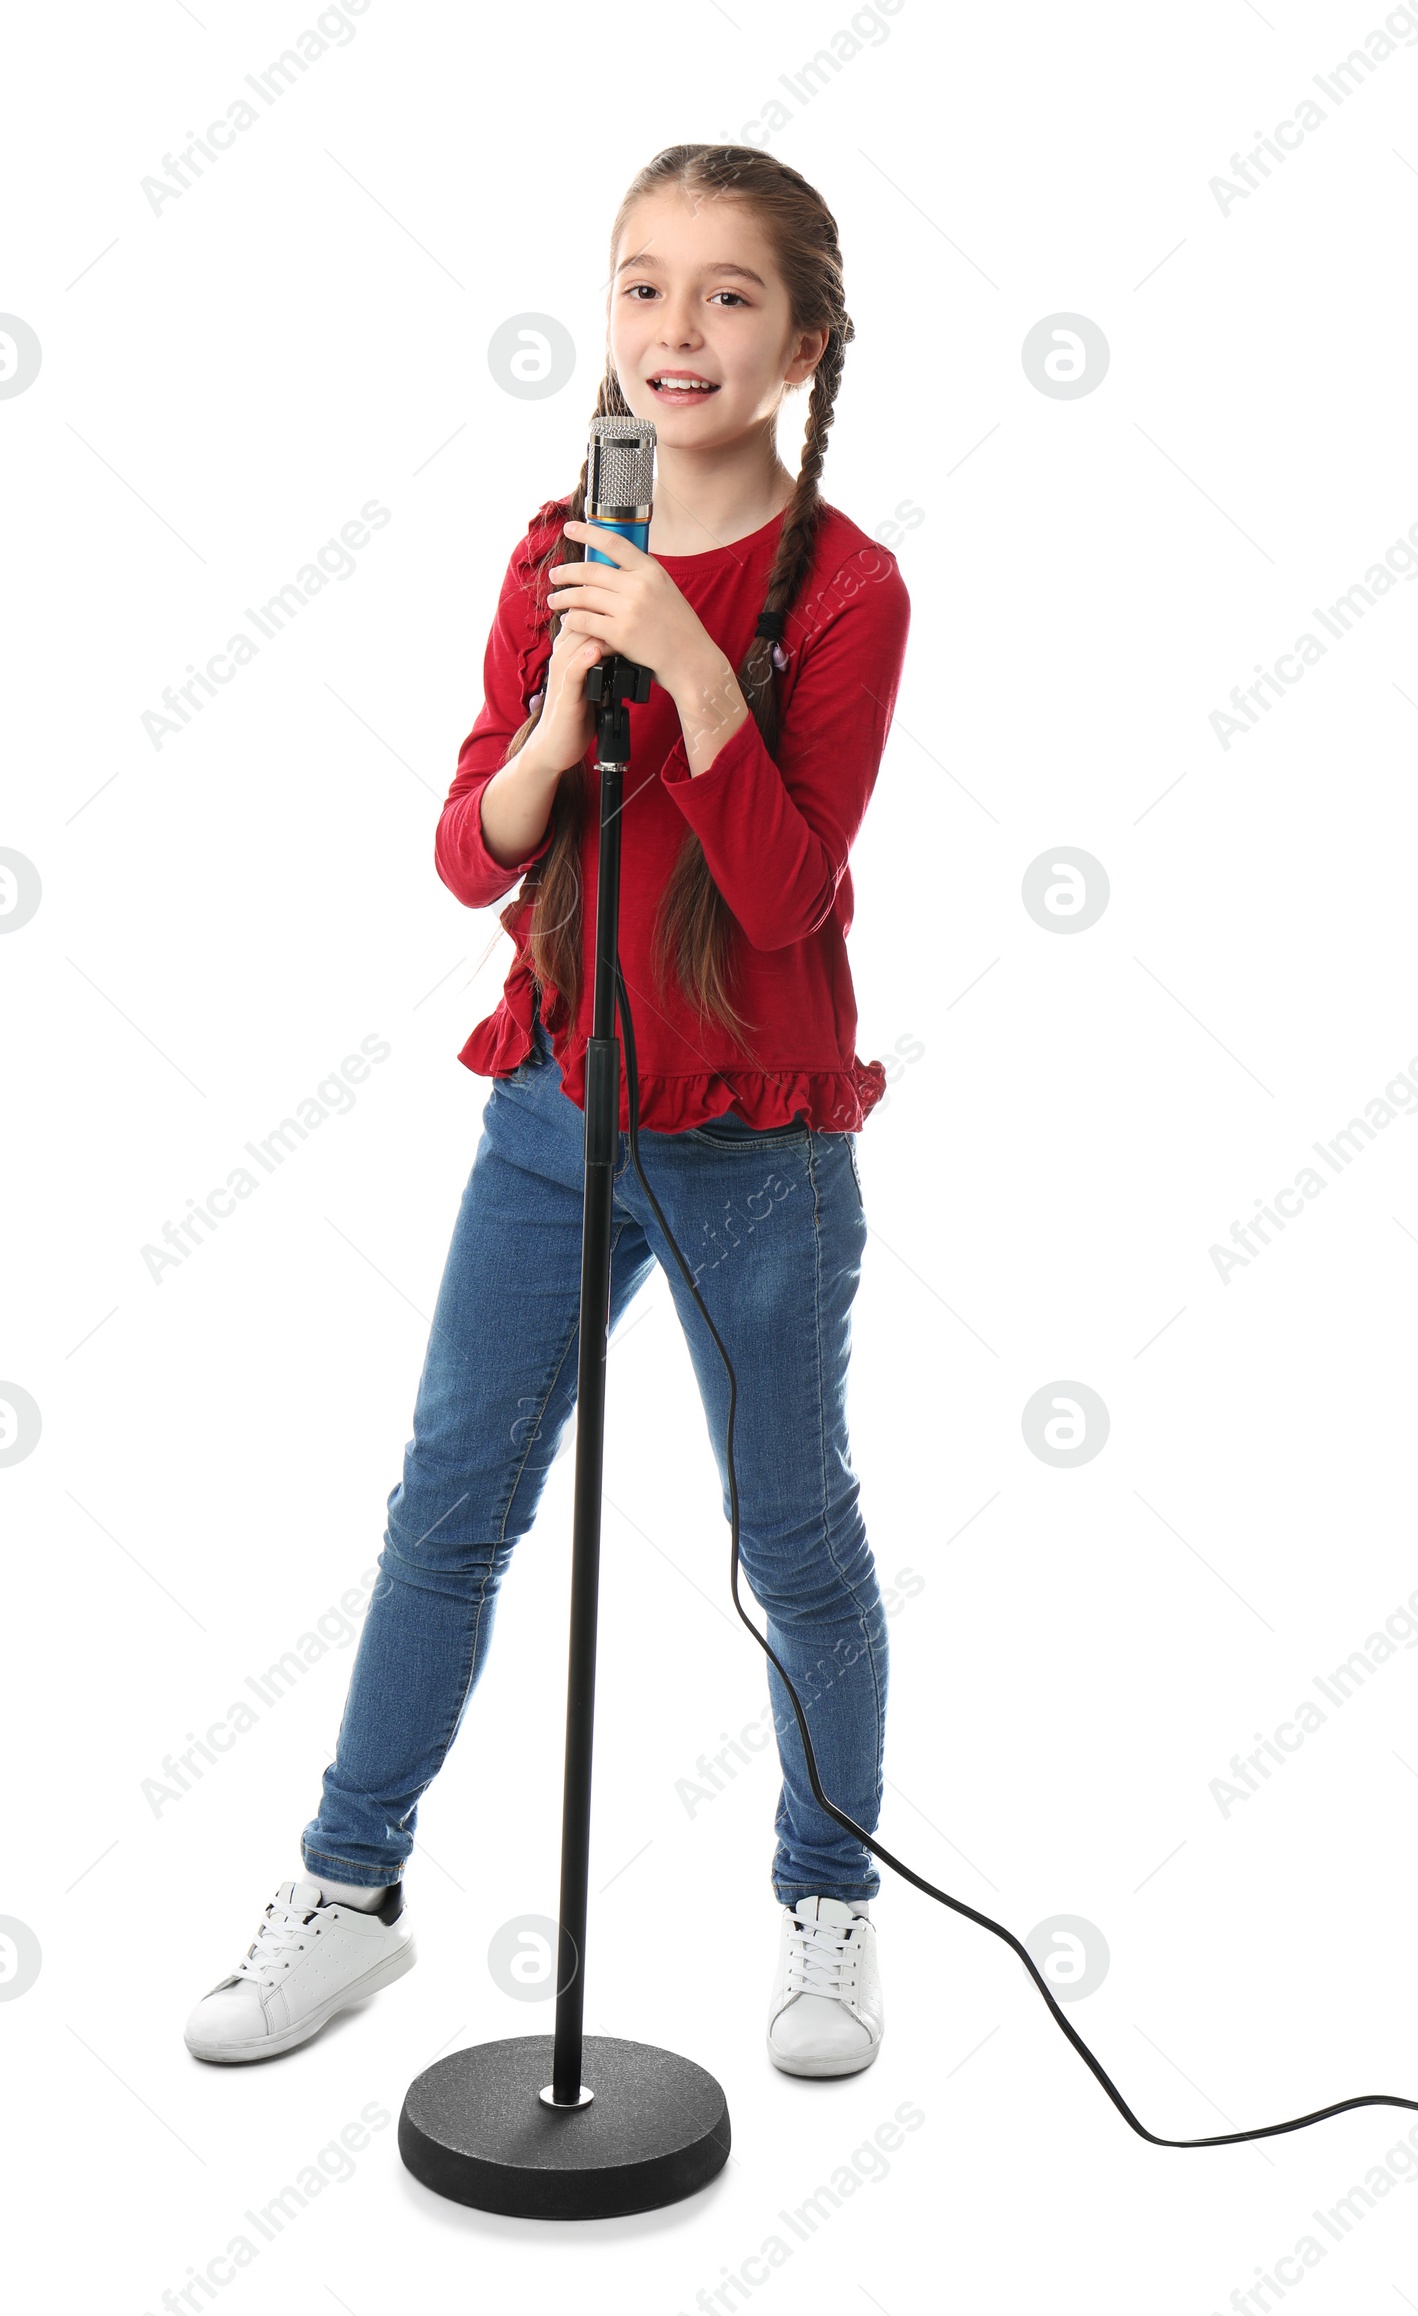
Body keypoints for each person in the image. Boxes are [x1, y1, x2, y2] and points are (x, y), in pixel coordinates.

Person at [183, 144, 911, 2083]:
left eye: (728, 296)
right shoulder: (547, 557)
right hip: (552, 1110)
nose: (675, 331)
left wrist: (691, 667)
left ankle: (824, 1903)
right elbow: (466, 850)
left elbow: (785, 901)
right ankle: (348, 1894)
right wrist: (562, 706)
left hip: (756, 1147)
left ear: (801, 343)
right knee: (446, 1511)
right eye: (642, 287)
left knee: (795, 1539)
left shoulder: (846, 592)